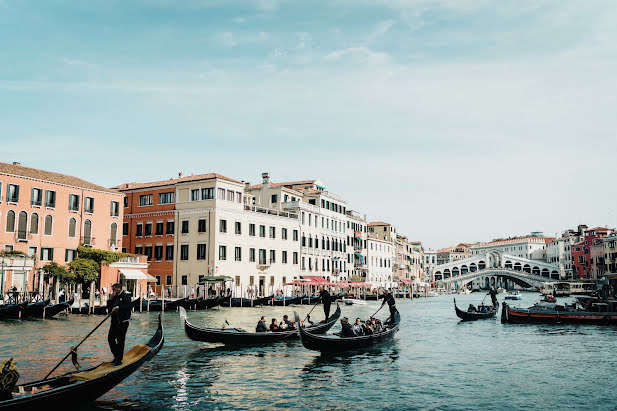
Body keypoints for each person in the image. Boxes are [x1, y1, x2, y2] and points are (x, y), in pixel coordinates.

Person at [107, 283, 132, 366]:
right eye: (112, 289)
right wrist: (110, 299)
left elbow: (128, 306)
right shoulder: (114, 297)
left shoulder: (126, 296)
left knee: (120, 341)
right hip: (114, 322)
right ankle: (116, 356)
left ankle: (119, 359)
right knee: (110, 338)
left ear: (119, 288)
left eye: (114, 289)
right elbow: (108, 308)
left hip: (123, 322)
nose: (113, 291)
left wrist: (118, 307)